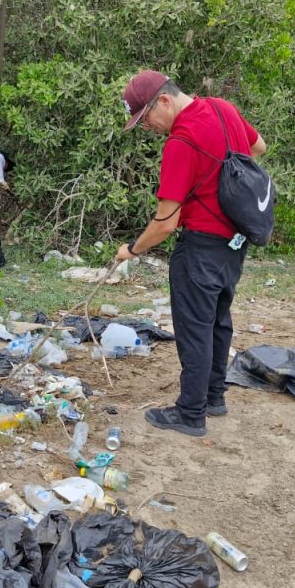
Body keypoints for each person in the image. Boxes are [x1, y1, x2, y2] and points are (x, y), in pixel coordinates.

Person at [115, 70, 267, 438]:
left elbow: (166, 222)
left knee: (194, 330)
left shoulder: (181, 141)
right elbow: (258, 146)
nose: (147, 127)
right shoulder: (221, 108)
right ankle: (214, 397)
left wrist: (131, 249)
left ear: (163, 101)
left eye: (145, 117)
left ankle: (190, 413)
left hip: (200, 247)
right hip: (235, 243)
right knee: (218, 320)